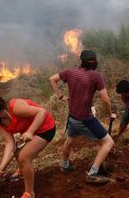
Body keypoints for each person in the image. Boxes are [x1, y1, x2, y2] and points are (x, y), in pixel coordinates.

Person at [49, 49, 115, 183]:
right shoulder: (96, 76)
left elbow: (52, 79)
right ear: (95, 62)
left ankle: (65, 165)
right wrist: (110, 114)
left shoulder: (70, 72)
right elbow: (105, 99)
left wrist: (61, 96)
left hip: (72, 117)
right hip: (85, 119)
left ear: (81, 61)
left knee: (70, 140)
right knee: (108, 142)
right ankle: (93, 173)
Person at [0, 96, 56, 198]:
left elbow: (42, 112)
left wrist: (30, 132)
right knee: (18, 153)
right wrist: (2, 166)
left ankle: (29, 193)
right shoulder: (0, 122)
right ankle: (21, 171)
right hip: (31, 133)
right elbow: (10, 143)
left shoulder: (15, 107)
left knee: (24, 157)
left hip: (45, 128)